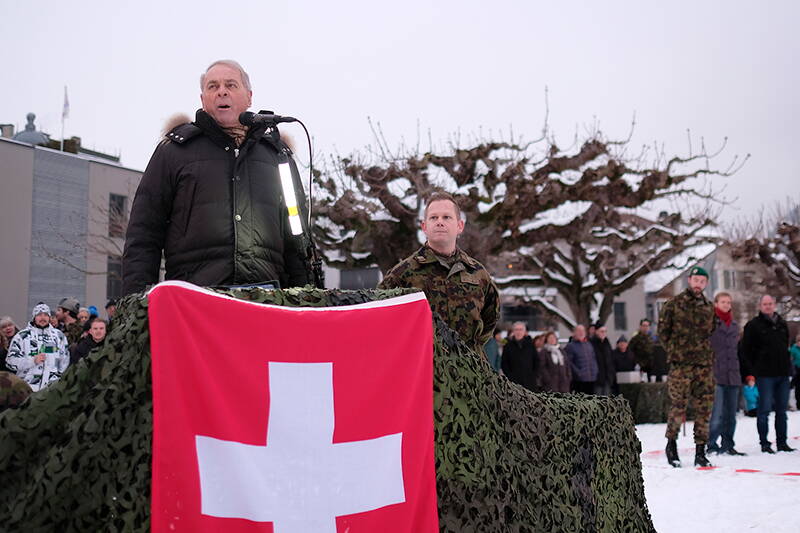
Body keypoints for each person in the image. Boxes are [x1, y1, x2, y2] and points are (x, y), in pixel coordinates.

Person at [122, 59, 309, 295]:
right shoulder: (173, 152)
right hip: (195, 299)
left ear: (249, 96)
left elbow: (298, 240)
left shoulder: (278, 156)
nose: (222, 91)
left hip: (267, 301)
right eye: (213, 86)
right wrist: (136, 303)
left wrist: (305, 301)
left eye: (231, 85)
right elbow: (144, 234)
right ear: (202, 100)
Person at [379, 192, 499, 352]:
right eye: (434, 218)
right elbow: (380, 317)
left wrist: (467, 350)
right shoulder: (402, 274)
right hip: (423, 369)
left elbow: (490, 318)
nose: (440, 222)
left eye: (446, 217)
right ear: (424, 226)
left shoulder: (478, 274)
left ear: (460, 226)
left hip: (467, 372)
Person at [658, 266, 715, 468]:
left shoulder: (709, 307)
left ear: (706, 283)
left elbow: (711, 332)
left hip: (703, 365)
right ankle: (671, 445)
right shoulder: (673, 304)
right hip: (681, 365)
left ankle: (701, 450)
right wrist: (676, 352)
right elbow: (663, 333)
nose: (698, 284)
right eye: (695, 280)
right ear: (689, 280)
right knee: (678, 406)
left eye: (702, 280)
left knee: (704, 407)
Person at [741, 295, 795, 453]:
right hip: (764, 375)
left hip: (782, 374)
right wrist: (752, 371)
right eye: (765, 304)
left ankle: (782, 442)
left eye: (770, 303)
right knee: (763, 410)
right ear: (760, 306)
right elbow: (746, 350)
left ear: (775, 305)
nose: (768, 306)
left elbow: (785, 346)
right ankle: (764, 443)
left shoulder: (782, 324)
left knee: (781, 411)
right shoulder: (753, 325)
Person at [706, 292, 744, 456]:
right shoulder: (710, 324)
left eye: (729, 302)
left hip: (733, 374)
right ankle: (712, 444)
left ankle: (728, 444)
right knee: (717, 414)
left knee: (731, 414)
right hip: (716, 374)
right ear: (716, 304)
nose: (726, 305)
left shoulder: (735, 326)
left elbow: (738, 351)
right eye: (723, 302)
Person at [5, 303, 70, 392]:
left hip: (51, 389)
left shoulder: (58, 336)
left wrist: (58, 380)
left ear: (49, 317)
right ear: (34, 317)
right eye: (39, 315)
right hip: (27, 388)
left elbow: (65, 361)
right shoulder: (22, 336)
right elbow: (10, 362)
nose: (43, 318)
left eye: (46, 315)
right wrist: (32, 361)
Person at [500, 322, 538, 391]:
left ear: (524, 331)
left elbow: (536, 361)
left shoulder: (530, 344)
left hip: (529, 381)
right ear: (513, 331)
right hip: (513, 381)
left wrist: (534, 375)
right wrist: (510, 376)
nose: (518, 332)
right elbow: (504, 363)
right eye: (516, 329)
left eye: (520, 329)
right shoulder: (508, 345)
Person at [565, 324, 598, 394]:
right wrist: (578, 373)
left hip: (591, 378)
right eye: (579, 331)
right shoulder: (570, 346)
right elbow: (569, 363)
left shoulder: (589, 344)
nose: (581, 332)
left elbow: (594, 359)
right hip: (578, 380)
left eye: (583, 331)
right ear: (574, 333)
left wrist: (595, 371)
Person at [590, 325, 616, 396]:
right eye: (602, 331)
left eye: (605, 331)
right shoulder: (592, 343)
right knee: (597, 400)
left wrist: (612, 374)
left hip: (607, 377)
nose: (604, 333)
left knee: (606, 401)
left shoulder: (607, 343)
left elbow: (611, 359)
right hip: (597, 378)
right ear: (596, 332)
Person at [791, 333, 800, 410]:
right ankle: (798, 403)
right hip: (797, 369)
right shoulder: (793, 349)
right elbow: (790, 359)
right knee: (797, 387)